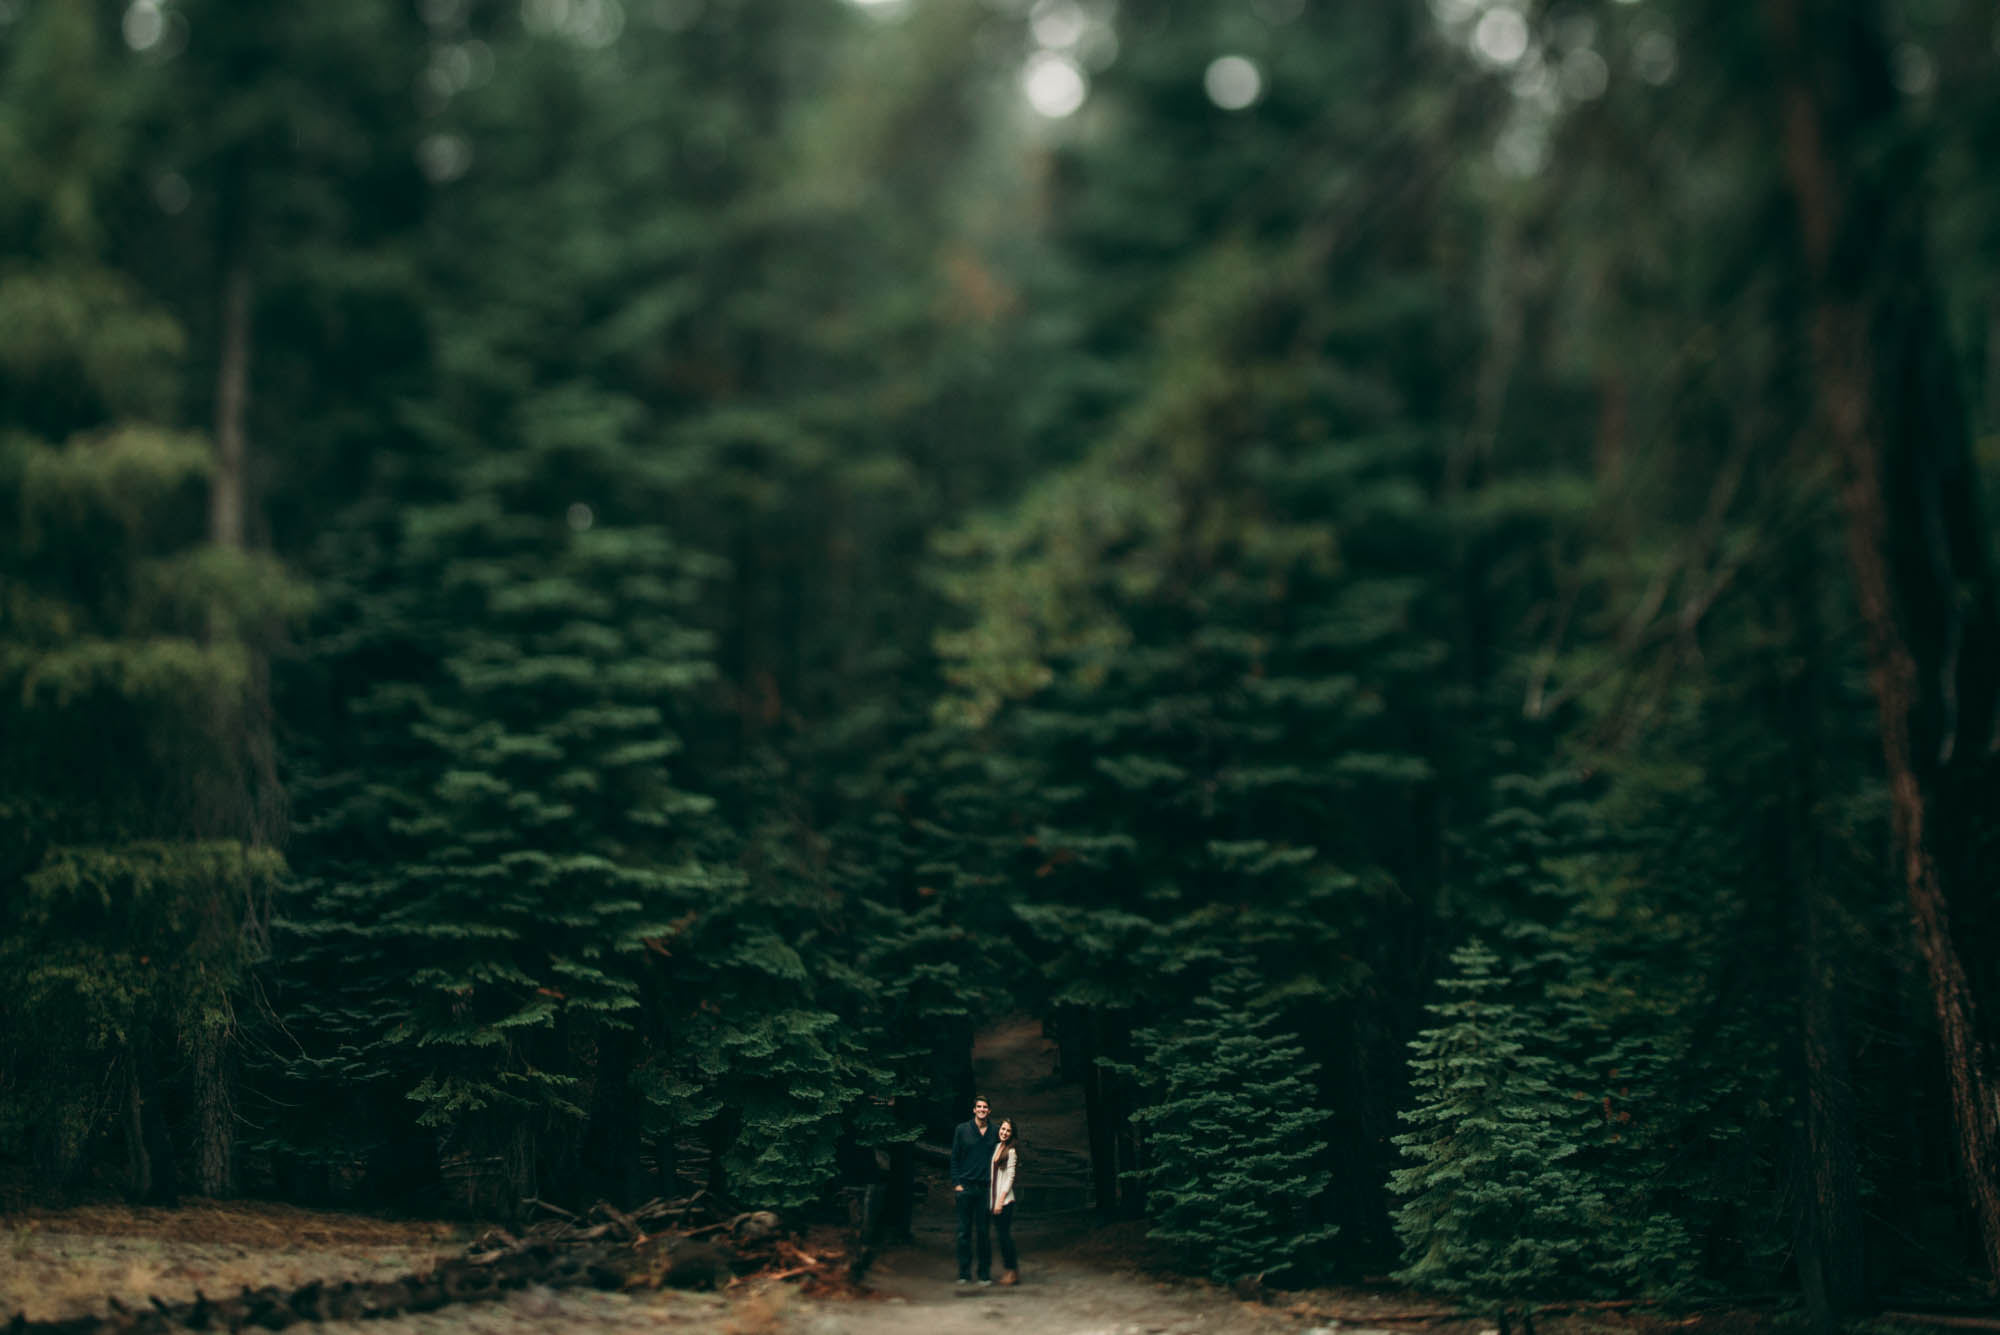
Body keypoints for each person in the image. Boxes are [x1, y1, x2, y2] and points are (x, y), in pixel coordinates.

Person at [949, 1096, 997, 1285]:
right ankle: (964, 1273)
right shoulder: (962, 1130)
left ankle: (984, 1274)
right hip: (966, 1187)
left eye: (985, 1107)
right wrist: (957, 1183)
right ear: (974, 1110)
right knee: (963, 1232)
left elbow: (1003, 1156)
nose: (982, 1109)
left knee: (984, 1233)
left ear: (989, 1111)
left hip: (985, 1189)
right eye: (979, 1107)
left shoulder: (994, 1132)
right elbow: (955, 1158)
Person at [989, 1118, 1021, 1286]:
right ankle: (1010, 1271)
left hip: (1005, 1201)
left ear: (1012, 1134)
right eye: (1002, 1129)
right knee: (1001, 1237)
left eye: (1008, 1131)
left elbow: (1009, 1178)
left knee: (1005, 1237)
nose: (1004, 1132)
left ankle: (1012, 1272)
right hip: (994, 1199)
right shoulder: (996, 1147)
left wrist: (1000, 1201)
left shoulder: (1011, 1152)